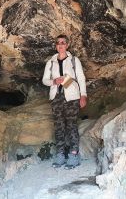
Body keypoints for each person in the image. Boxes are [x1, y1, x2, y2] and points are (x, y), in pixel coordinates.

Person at [42, 34, 87, 169]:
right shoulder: (51, 62)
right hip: (56, 97)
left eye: (63, 42)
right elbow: (44, 80)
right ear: (56, 46)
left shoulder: (74, 60)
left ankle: (74, 154)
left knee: (71, 125)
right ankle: (60, 155)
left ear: (67, 45)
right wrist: (54, 81)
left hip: (72, 96)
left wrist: (83, 95)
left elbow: (81, 78)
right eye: (58, 43)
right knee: (59, 126)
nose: (60, 45)